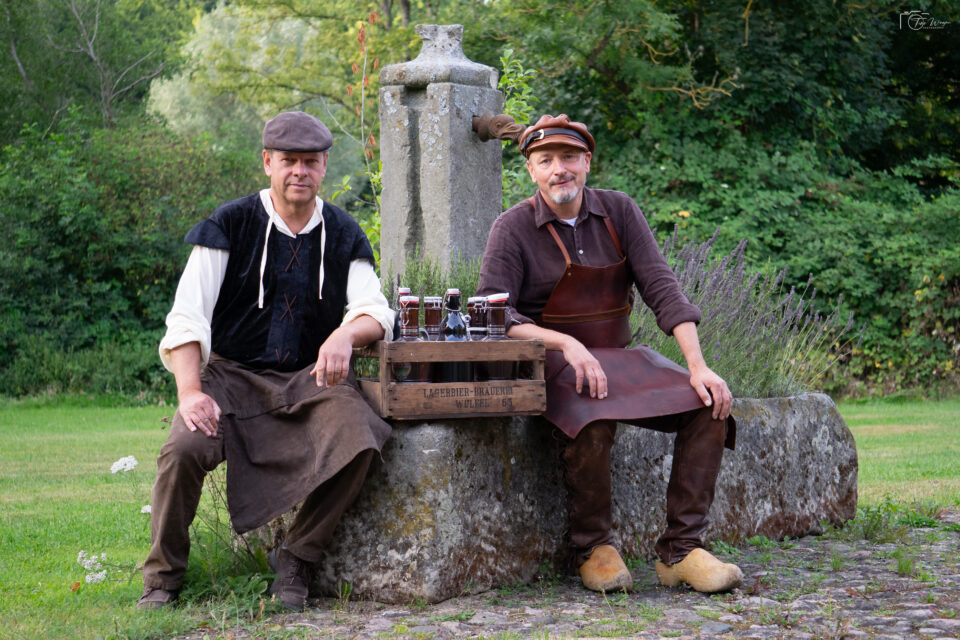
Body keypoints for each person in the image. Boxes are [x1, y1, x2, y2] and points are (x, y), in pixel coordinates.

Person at [476, 114, 743, 593]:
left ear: (588, 163)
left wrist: (699, 367)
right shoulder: (511, 228)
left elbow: (664, 289)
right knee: (591, 408)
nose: (560, 169)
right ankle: (593, 548)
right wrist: (566, 344)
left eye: (570, 158)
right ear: (531, 171)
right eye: (546, 160)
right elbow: (495, 315)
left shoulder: (619, 211)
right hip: (550, 365)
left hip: (617, 359)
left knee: (711, 404)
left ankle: (681, 552)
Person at [138, 112, 394, 611]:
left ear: (323, 166)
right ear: (267, 163)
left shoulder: (343, 232)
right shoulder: (229, 224)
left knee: (361, 436)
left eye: (310, 162)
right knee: (183, 450)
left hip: (308, 380)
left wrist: (345, 334)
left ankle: (297, 558)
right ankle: (163, 577)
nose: (299, 171)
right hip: (229, 377)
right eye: (288, 161)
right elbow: (188, 317)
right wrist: (191, 392)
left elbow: (375, 311)